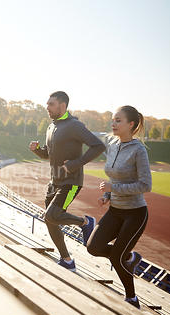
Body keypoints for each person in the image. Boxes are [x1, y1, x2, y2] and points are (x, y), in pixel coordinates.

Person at [29, 91, 106, 272]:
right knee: (51, 220)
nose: (47, 107)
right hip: (53, 182)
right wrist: (37, 150)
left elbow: (98, 145)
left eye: (51, 104)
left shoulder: (74, 125)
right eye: (47, 104)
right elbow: (48, 154)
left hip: (70, 182)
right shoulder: (51, 127)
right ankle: (67, 261)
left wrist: (75, 164)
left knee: (52, 215)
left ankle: (86, 223)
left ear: (63, 106)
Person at [87, 106, 151, 310]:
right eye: (113, 120)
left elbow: (145, 185)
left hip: (135, 214)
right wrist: (107, 195)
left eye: (118, 120)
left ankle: (132, 299)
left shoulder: (138, 150)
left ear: (131, 124)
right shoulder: (113, 146)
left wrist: (114, 188)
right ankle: (130, 259)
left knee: (116, 257)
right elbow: (114, 177)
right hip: (115, 210)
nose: (113, 124)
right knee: (93, 247)